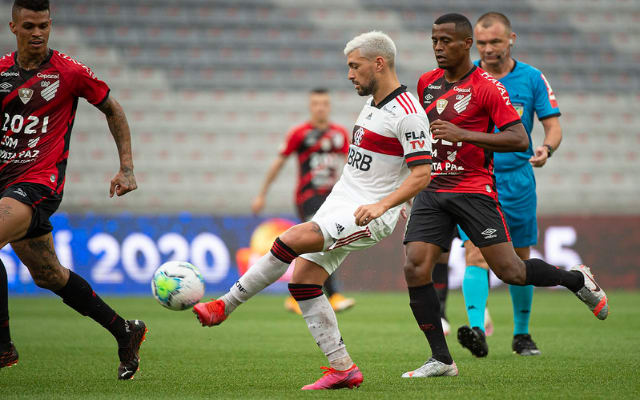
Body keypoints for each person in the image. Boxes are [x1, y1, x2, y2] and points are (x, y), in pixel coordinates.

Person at [194, 31, 433, 390]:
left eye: (355, 66)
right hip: (339, 201)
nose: (350, 74)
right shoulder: (372, 103)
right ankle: (343, 369)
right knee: (303, 280)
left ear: (378, 63)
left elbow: (422, 173)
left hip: (369, 213)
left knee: (290, 238)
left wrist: (383, 206)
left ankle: (225, 304)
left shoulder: (409, 115)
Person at [401, 13, 607, 378]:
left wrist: (465, 135)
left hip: (475, 189)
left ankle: (575, 280)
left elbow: (519, 138)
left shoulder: (488, 87)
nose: (437, 47)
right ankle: (442, 359)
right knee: (415, 264)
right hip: (434, 188)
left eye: (445, 41)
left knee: (512, 270)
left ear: (465, 45)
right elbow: (419, 136)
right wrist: (406, 184)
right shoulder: (426, 83)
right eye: (434, 40)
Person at [0, 0, 146, 379]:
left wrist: (126, 168)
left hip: (38, 184)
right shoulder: (0, 72)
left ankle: (3, 347)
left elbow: (113, 109)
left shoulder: (69, 71)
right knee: (48, 274)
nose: (38, 33)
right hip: (5, 188)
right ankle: (124, 330)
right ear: (13, 26)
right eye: (29, 26)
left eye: (44, 25)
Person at [454, 11, 564, 358]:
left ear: (511, 40)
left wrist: (548, 147)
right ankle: (475, 329)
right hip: (476, 178)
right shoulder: (463, 78)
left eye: (495, 42)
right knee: (475, 251)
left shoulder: (531, 78)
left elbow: (553, 125)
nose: (488, 49)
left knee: (519, 257)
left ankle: (521, 334)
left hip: (517, 179)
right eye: (482, 43)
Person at [251, 88, 356, 315]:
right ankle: (334, 295)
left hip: (331, 198)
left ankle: (296, 296)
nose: (320, 107)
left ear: (329, 106)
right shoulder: (299, 134)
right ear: (311, 106)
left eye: (324, 103)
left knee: (323, 244)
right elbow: (278, 163)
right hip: (307, 197)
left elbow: (350, 166)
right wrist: (262, 194)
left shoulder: (339, 134)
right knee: (319, 241)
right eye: (316, 103)